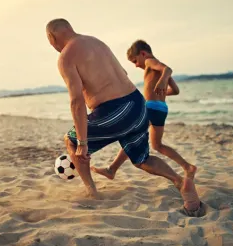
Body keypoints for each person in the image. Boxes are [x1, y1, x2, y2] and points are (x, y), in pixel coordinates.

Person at [46, 19, 205, 217]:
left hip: (114, 110)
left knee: (71, 140)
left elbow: (76, 101)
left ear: (52, 38)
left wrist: (83, 142)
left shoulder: (66, 56)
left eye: (50, 42)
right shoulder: (97, 43)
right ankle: (180, 181)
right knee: (141, 159)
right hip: (138, 104)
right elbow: (123, 73)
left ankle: (91, 192)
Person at [91, 40, 197, 181]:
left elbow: (168, 70)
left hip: (151, 107)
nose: (136, 65)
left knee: (131, 136)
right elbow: (176, 91)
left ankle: (112, 169)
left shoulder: (149, 61)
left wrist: (162, 81)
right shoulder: (157, 67)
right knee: (157, 145)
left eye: (135, 61)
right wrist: (160, 90)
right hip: (161, 109)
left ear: (143, 53)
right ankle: (187, 167)